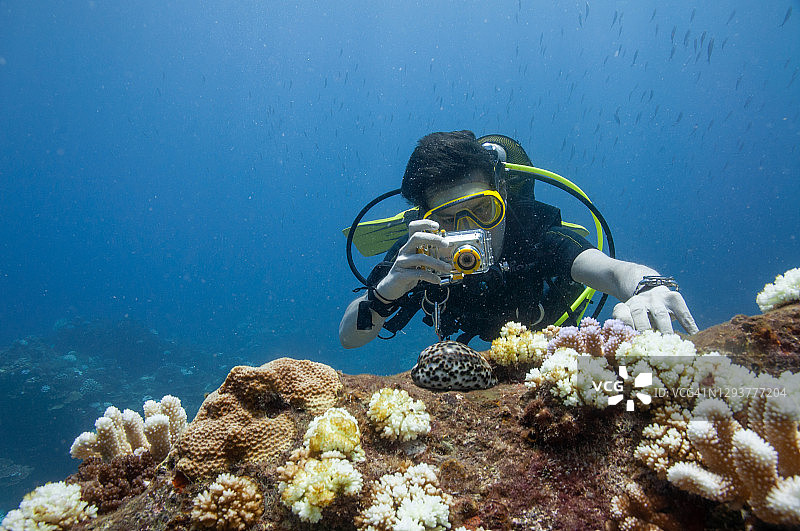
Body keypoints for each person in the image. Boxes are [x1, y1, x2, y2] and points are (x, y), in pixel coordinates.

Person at [339, 130, 699, 349]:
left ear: (504, 194)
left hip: (549, 326)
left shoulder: (533, 232)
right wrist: (386, 292)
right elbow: (349, 337)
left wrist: (648, 285)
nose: (471, 230)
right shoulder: (419, 253)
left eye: (483, 209)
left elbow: (611, 270)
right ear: (425, 220)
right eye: (447, 219)